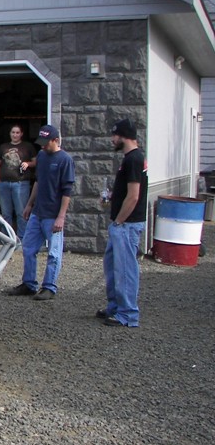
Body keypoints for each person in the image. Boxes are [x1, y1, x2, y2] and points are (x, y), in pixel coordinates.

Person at [8, 124, 75, 300]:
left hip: (52, 215)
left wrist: (61, 216)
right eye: (41, 142)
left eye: (46, 142)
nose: (43, 146)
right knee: (28, 248)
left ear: (56, 140)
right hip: (38, 212)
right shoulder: (43, 157)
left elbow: (67, 190)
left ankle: (49, 286)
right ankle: (29, 284)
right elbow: (38, 181)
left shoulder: (65, 160)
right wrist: (29, 204)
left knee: (53, 253)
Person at [98, 119, 148, 327]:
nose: (112, 139)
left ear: (123, 136)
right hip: (121, 224)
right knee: (112, 266)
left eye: (114, 135)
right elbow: (127, 191)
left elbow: (134, 196)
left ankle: (128, 315)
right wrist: (111, 196)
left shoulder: (134, 159)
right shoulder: (129, 159)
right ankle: (115, 307)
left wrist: (119, 221)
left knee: (125, 269)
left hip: (126, 225)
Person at [0, 124, 37, 238]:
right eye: (13, 132)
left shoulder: (28, 146)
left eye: (17, 132)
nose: (15, 135)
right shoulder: (3, 147)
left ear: (21, 134)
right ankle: (6, 238)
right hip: (4, 184)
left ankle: (22, 238)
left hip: (21, 183)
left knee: (21, 212)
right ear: (10, 134)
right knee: (5, 213)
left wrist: (28, 163)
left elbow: (36, 162)